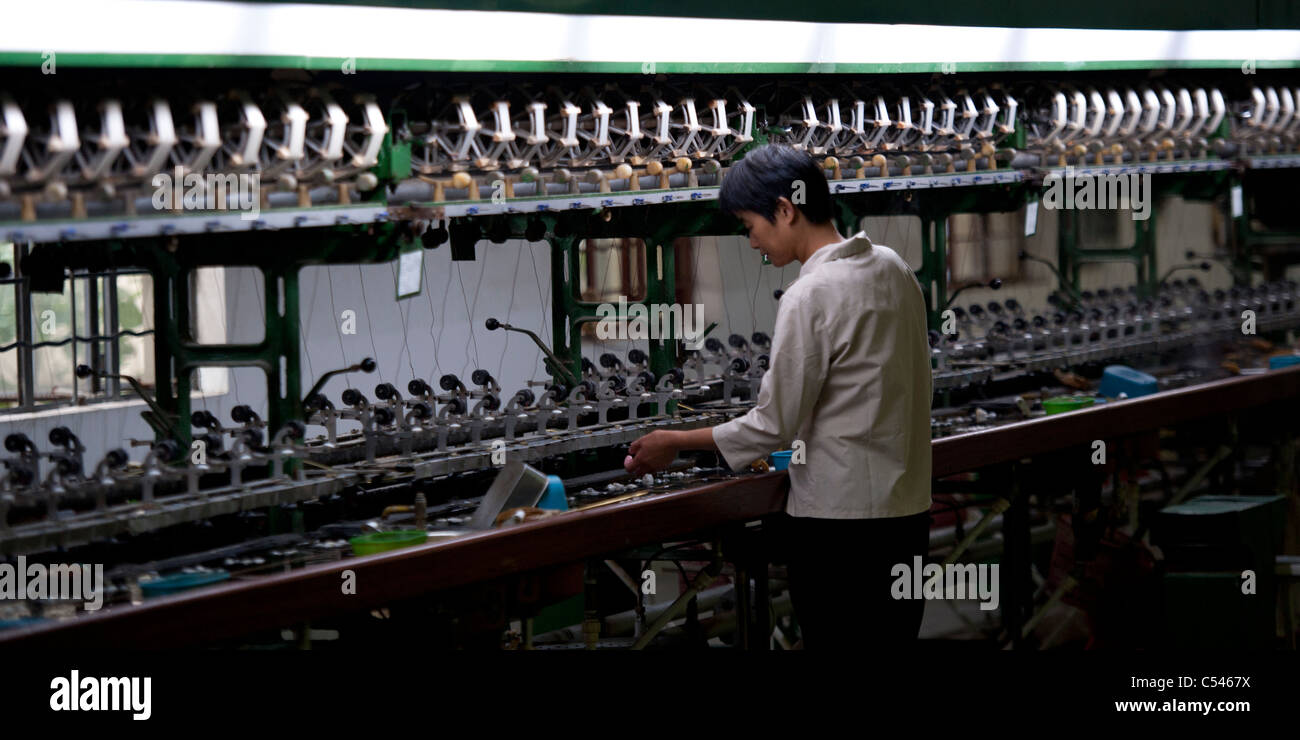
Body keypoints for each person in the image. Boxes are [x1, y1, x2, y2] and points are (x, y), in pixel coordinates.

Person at [623, 144, 933, 648]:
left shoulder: (809, 295)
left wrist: (675, 440)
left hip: (841, 529)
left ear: (786, 210)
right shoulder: (893, 268)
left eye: (750, 226)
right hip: (907, 514)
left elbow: (773, 426)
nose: (752, 242)